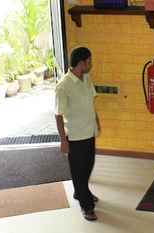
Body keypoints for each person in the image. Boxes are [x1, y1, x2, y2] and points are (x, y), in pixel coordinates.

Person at [55, 47, 101, 221]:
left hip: (89, 132)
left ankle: (81, 192)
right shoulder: (63, 86)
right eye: (89, 61)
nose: (91, 64)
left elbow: (90, 103)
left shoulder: (87, 78)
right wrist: (63, 140)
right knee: (78, 171)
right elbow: (58, 115)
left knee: (88, 165)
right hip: (74, 137)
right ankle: (86, 206)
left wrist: (97, 121)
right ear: (81, 63)